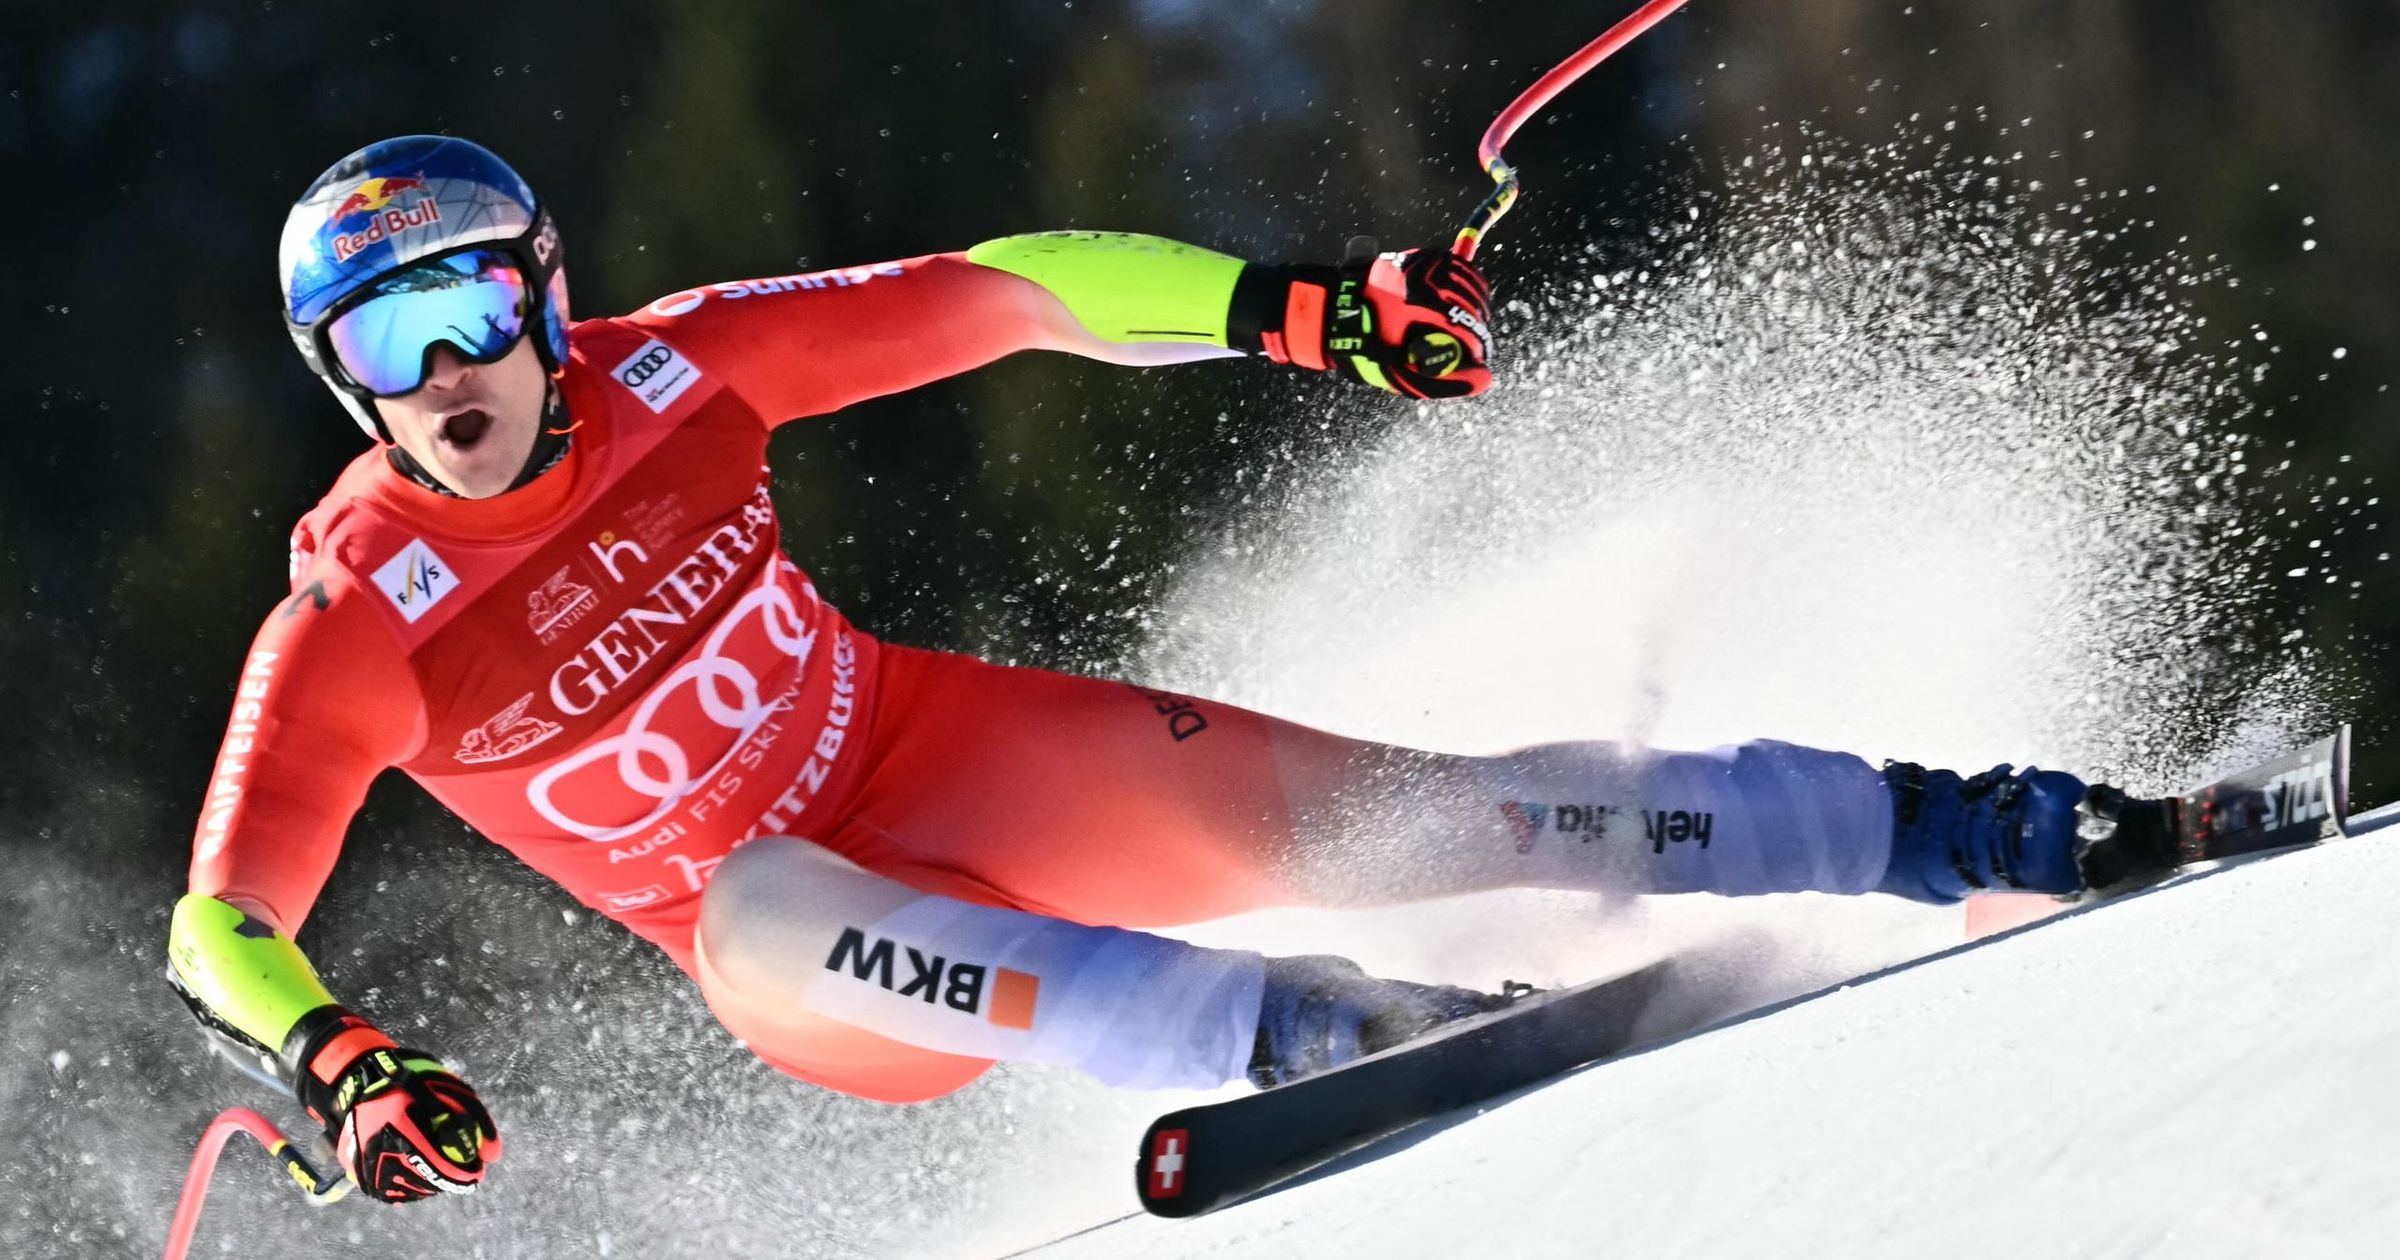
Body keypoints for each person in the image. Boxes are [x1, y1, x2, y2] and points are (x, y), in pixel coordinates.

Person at [166, 134, 2175, 1205]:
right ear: (343, 383)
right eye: (384, 344)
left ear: (542, 299)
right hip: (832, 968)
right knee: (753, 900)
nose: (445, 376)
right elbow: (219, 922)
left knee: (1434, 815)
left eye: (465, 307)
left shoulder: (676, 371)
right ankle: (1288, 1034)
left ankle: (1957, 825)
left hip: (953, 760)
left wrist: (1304, 313)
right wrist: (338, 1059)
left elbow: (1012, 291)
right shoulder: (362, 621)